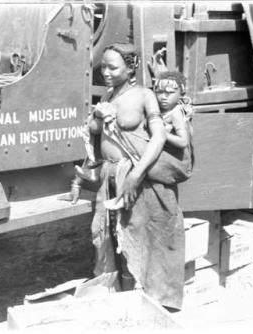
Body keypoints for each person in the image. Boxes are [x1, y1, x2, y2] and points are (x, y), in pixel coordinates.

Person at [88, 43, 185, 311]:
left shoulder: (144, 95)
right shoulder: (108, 94)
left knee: (142, 237)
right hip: (110, 176)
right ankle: (125, 300)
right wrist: (98, 115)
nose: (105, 72)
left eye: (112, 67)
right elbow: (97, 130)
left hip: (138, 177)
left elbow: (159, 136)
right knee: (114, 238)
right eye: (103, 67)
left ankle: (154, 305)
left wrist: (135, 175)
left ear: (130, 68)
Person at [104, 70, 193, 210]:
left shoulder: (175, 113)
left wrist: (162, 134)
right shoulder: (158, 108)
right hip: (159, 153)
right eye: (159, 92)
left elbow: (183, 142)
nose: (163, 97)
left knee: (142, 169)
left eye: (169, 93)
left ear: (181, 93)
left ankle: (120, 200)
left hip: (171, 157)